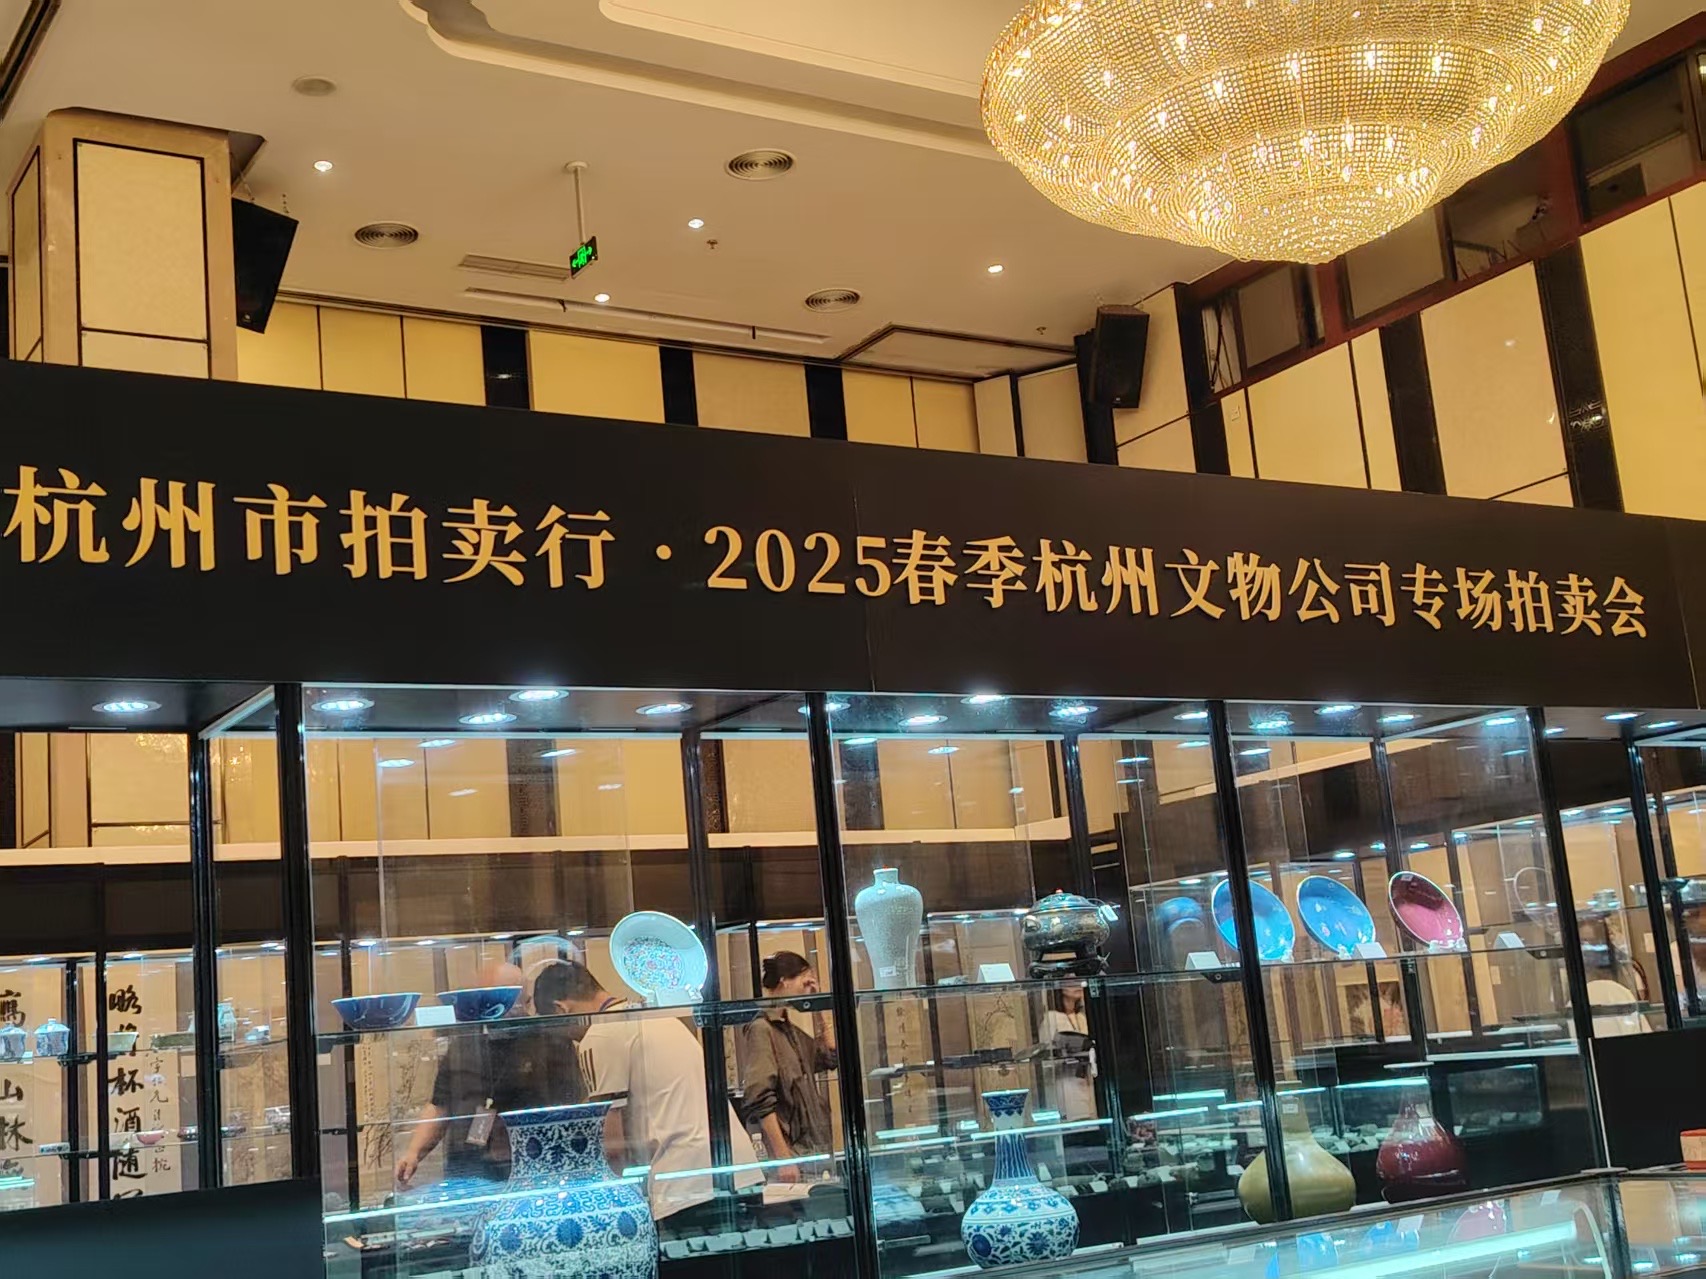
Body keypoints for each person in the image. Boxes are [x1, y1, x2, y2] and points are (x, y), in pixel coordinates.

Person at [533, 959, 763, 1228]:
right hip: (739, 1169)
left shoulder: (600, 1035)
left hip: (685, 1185)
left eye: (560, 1032)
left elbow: (613, 1146)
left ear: (560, 1009)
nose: (570, 1039)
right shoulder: (657, 1016)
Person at [395, 959, 579, 1187]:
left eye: (504, 998)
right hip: (467, 1170)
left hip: (533, 1170)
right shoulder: (464, 1042)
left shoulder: (550, 1042)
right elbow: (439, 1105)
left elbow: (572, 1111)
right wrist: (413, 1153)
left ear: (525, 1000)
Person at [740, 951, 837, 1183]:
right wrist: (783, 1158)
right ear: (784, 981)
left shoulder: (789, 1030)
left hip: (812, 1150)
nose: (808, 990)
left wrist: (819, 1008)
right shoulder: (762, 1029)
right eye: (805, 983)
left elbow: (831, 1056)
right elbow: (760, 1098)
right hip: (791, 1157)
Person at [1039, 985, 1096, 1122]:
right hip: (1066, 1083)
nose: (1077, 985)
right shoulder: (1051, 1018)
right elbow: (1046, 1056)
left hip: (1087, 1081)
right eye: (1070, 982)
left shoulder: (1082, 1018)